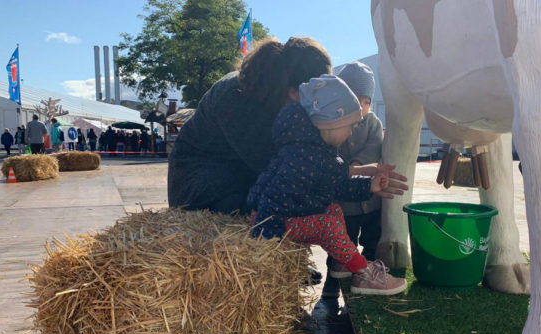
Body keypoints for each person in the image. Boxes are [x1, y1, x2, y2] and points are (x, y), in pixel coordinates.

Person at [248, 75, 408, 296]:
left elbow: (333, 185)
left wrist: (368, 185)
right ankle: (363, 273)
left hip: (277, 215)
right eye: (349, 126)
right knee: (326, 225)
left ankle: (343, 260)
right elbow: (331, 186)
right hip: (273, 222)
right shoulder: (308, 157)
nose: (351, 132)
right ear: (329, 123)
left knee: (333, 210)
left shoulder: (311, 149)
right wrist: (264, 233)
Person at [168, 37, 334, 213]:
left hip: (236, 174)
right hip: (199, 186)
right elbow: (280, 167)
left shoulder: (272, 92)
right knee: (272, 210)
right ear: (294, 91)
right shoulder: (236, 99)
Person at [321, 61, 385, 298]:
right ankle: (332, 284)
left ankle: (367, 275)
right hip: (343, 203)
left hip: (370, 199)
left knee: (372, 239)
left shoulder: (373, 123)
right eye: (357, 99)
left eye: (367, 101)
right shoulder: (331, 122)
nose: (363, 106)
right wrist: (347, 169)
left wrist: (358, 164)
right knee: (340, 244)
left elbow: (375, 145)